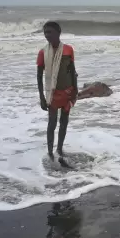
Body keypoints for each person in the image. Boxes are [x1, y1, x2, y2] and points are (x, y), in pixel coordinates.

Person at [37, 21, 78, 165]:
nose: (47, 35)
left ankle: (59, 149)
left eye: (50, 32)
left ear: (58, 33)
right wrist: (42, 97)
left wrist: (75, 90)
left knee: (64, 122)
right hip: (52, 94)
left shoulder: (68, 50)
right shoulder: (43, 52)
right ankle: (50, 152)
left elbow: (72, 71)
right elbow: (39, 76)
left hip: (67, 92)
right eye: (45, 32)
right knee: (52, 123)